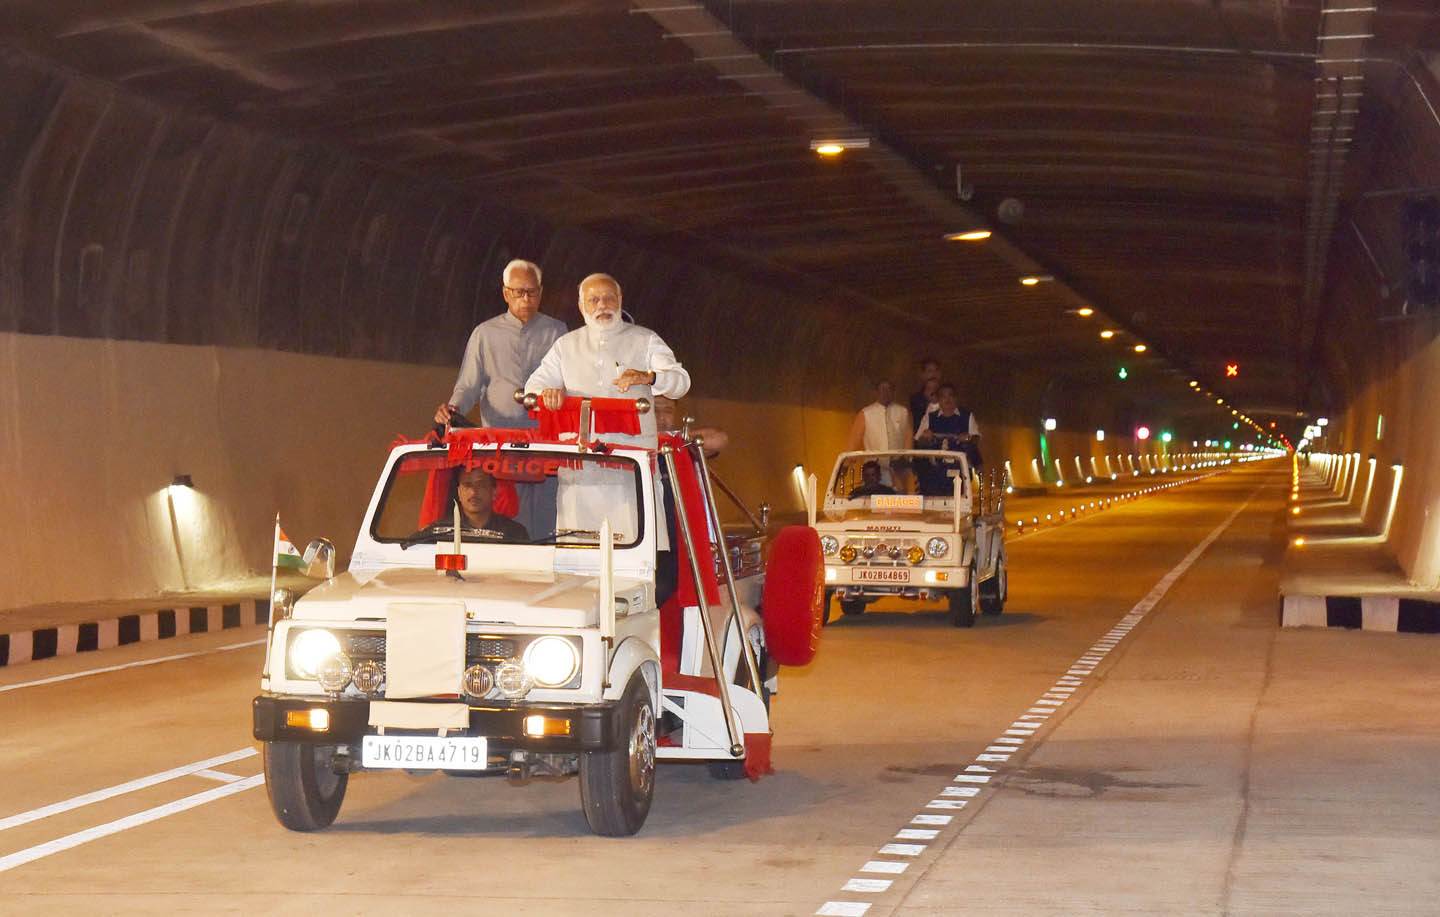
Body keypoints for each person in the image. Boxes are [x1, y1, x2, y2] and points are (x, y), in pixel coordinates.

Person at [525, 273, 690, 449]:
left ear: (619, 300)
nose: (602, 305)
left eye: (609, 298)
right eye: (593, 300)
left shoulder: (646, 339)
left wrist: (649, 377)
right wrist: (548, 394)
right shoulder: (565, 345)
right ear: (581, 307)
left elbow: (681, 383)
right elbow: (532, 392)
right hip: (578, 455)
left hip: (633, 456)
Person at [434, 259, 566, 429]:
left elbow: (567, 383)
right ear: (506, 294)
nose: (526, 299)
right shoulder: (484, 333)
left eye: (531, 292)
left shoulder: (558, 331)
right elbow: (468, 387)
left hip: (546, 436)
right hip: (497, 437)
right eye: (519, 292)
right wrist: (452, 410)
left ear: (540, 292)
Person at [916, 384, 983, 493]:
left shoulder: (967, 416)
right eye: (943, 396)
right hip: (935, 472)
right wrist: (926, 437)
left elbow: (976, 439)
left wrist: (968, 438)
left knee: (959, 504)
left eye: (950, 396)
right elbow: (919, 442)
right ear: (938, 399)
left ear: (956, 398)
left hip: (961, 470)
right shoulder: (929, 417)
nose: (947, 399)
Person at [454, 466, 530, 543]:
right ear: (459, 493)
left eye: (480, 485)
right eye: (467, 485)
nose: (473, 492)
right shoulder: (444, 532)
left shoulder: (515, 533)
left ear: (493, 492)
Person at [846, 380, 912, 453]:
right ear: (876, 392)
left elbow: (908, 438)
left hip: (897, 461)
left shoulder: (903, 412)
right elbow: (854, 441)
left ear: (893, 392)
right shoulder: (865, 413)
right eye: (883, 389)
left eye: (889, 389)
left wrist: (907, 459)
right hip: (873, 462)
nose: (886, 393)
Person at [653, 395, 729, 457]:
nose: (661, 417)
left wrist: (686, 437)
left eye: (668, 411)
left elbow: (720, 439)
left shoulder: (680, 445)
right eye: (654, 410)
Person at [909, 358, 941, 435]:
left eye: (936, 370)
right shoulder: (915, 400)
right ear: (922, 375)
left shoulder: (949, 397)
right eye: (930, 371)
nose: (933, 374)